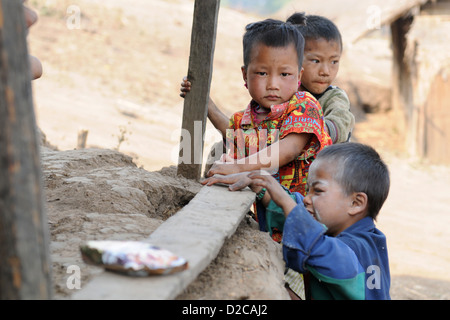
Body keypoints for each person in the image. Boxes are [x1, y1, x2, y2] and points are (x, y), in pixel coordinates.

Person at [205, 142, 391, 299]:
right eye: (308, 189)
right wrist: (261, 185)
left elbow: (319, 247)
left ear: (356, 203)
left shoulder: (354, 250)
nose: (307, 198)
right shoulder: (361, 235)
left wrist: (284, 200)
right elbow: (300, 215)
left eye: (317, 191)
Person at [180, 12, 354, 146]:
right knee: (220, 148)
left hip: (315, 174)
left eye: (334, 62)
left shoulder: (327, 99)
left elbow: (340, 124)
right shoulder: (276, 96)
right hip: (266, 166)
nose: (325, 71)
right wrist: (205, 102)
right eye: (315, 61)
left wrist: (307, 129)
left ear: (297, 72)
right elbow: (242, 138)